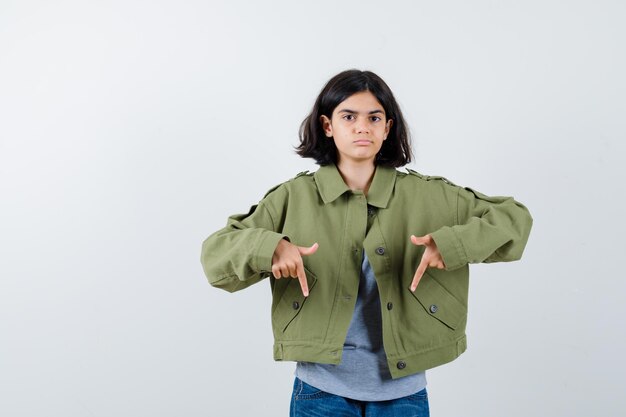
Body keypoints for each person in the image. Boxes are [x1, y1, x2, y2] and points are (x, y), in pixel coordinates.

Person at [200, 69, 533, 416]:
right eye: (349, 116)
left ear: (387, 128)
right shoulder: (292, 198)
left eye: (374, 117)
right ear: (328, 126)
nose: (363, 127)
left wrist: (453, 244)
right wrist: (269, 247)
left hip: (404, 394)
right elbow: (215, 256)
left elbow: (515, 219)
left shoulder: (429, 195)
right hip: (319, 392)